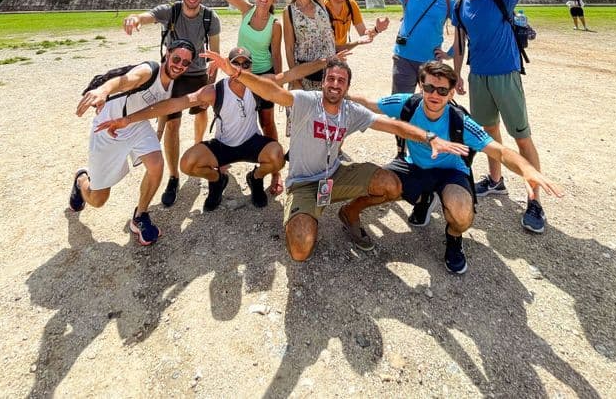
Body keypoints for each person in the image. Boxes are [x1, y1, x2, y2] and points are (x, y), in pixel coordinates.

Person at [200, 51, 470, 262]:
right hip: (304, 184)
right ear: (323, 82)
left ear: (347, 86)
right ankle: (303, 214)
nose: (335, 84)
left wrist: (428, 137)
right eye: (330, 78)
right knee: (300, 249)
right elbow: (274, 92)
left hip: (335, 175)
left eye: (341, 80)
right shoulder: (306, 100)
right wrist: (238, 74)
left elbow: (390, 124)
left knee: (392, 184)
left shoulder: (351, 111)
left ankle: (349, 213)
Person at [351, 61, 562, 273]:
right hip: (414, 165)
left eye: (442, 90)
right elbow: (370, 104)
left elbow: (500, 151)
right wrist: (337, 94)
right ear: (421, 86)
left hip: (450, 173)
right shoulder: (408, 104)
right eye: (429, 87)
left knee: (461, 214)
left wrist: (527, 169)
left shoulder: (461, 121)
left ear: (451, 94)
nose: (435, 94)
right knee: (378, 183)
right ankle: (425, 199)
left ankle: (453, 238)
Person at [98, 48, 341, 213]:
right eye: (237, 63)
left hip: (251, 142)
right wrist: (129, 119)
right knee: (188, 163)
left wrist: (327, 62)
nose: (242, 67)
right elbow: (175, 104)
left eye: (247, 64)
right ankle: (218, 180)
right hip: (223, 146)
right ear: (228, 65)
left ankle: (255, 180)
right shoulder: (214, 90)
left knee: (277, 157)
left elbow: (290, 73)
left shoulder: (257, 84)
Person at [452, 0, 553, 234]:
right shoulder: (459, 6)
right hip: (477, 76)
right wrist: (457, 75)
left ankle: (534, 199)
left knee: (521, 137)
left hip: (505, 75)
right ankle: (496, 180)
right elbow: (458, 45)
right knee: (488, 133)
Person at [69, 39, 196, 245]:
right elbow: (123, 80)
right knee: (98, 200)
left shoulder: (175, 81)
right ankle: (81, 180)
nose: (180, 65)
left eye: (186, 63)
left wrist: (159, 132)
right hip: (108, 127)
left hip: (136, 123)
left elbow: (162, 107)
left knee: (156, 164)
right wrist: (103, 90)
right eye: (176, 58)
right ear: (167, 52)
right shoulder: (148, 70)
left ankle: (140, 216)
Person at [122, 0, 221, 208]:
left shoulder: (210, 17)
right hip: (174, 74)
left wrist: (211, 84)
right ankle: (174, 176)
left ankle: (198, 147)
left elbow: (215, 55)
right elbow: (149, 16)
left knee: (200, 114)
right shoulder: (171, 11)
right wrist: (135, 18)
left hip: (197, 73)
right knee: (172, 125)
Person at [199, 0, 284, 195]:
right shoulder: (246, 10)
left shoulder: (275, 23)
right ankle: (223, 156)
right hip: (237, 71)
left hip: (261, 76)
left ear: (273, 0)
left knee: (267, 122)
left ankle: (275, 172)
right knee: (227, 115)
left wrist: (277, 84)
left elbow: (276, 54)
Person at [324, 0, 389, 47]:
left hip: (342, 52)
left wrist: (377, 29)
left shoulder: (350, 4)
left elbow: (363, 33)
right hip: (324, 53)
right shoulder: (322, 8)